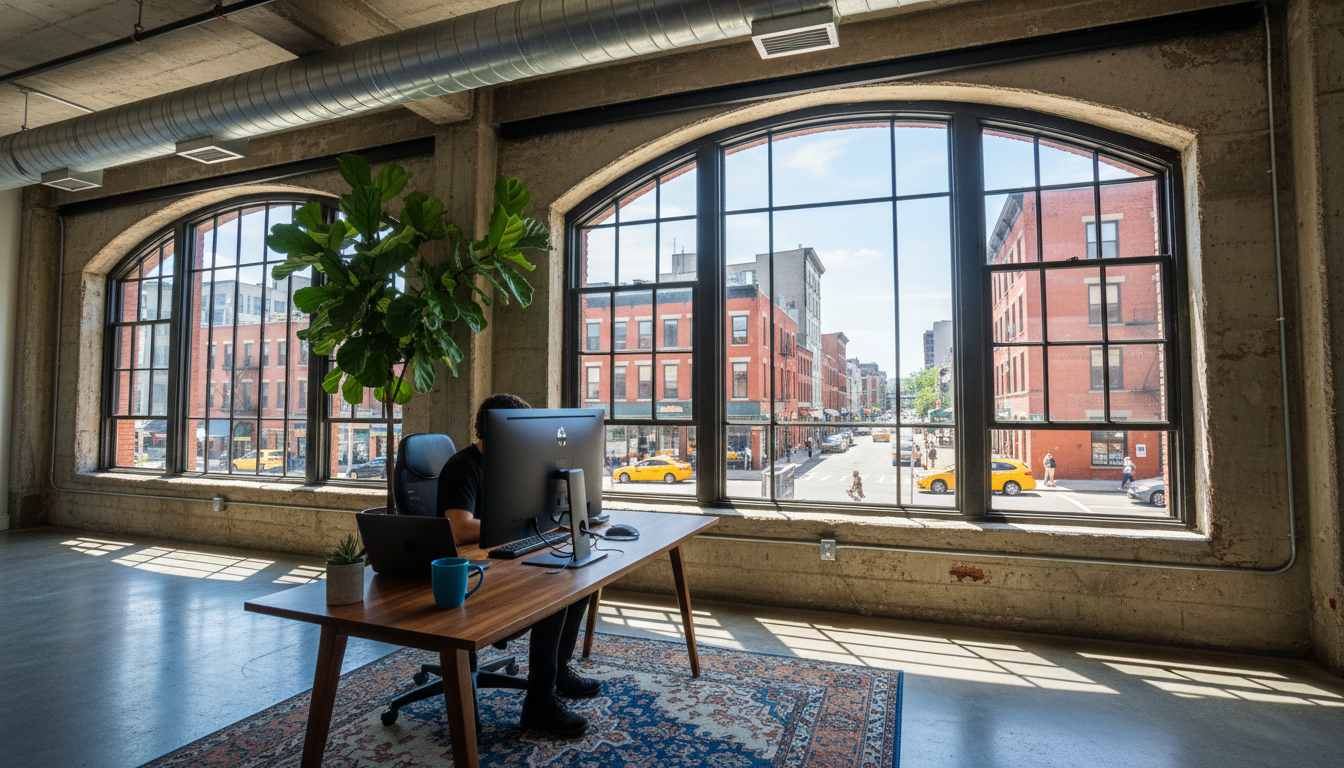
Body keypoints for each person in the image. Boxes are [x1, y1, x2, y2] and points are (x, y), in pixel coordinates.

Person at [439, 393, 599, 739]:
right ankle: (539, 703)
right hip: (471, 573)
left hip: (505, 559)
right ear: (499, 432)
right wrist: (521, 523)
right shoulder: (462, 467)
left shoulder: (514, 466)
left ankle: (558, 670)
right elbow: (459, 528)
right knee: (555, 588)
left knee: (579, 576)